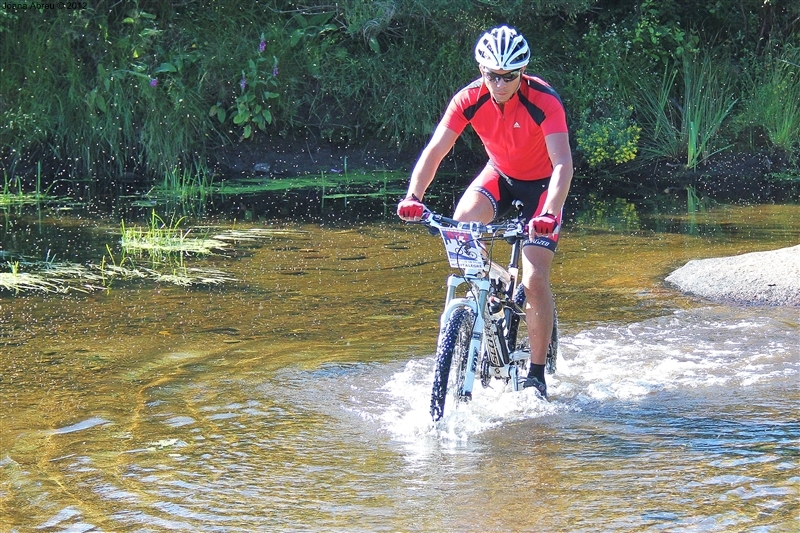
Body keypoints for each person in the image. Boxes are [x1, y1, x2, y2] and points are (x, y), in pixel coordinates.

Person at [396, 25, 573, 400]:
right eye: (493, 75)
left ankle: (537, 375)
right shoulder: (468, 99)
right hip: (500, 175)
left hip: (542, 186)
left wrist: (551, 212)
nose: (501, 83)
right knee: (462, 226)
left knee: (534, 278)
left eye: (509, 76)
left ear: (522, 73)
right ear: (482, 71)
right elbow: (435, 151)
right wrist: (414, 196)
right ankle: (491, 286)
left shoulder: (544, 101)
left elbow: (563, 166)